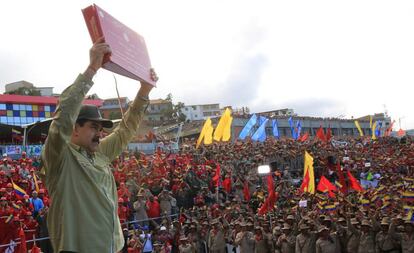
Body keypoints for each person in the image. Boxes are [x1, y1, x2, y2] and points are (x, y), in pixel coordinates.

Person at [41, 37, 157, 253]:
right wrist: (92, 68)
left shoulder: (99, 152)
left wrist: (144, 92)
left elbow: (125, 130)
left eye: (101, 128)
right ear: (74, 128)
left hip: (113, 246)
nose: (100, 133)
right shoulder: (60, 157)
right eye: (94, 127)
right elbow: (62, 118)